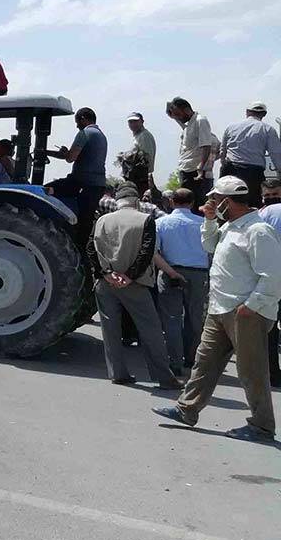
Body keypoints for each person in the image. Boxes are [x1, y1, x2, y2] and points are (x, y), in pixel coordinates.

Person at [152, 176, 281, 442]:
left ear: (228, 201)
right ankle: (187, 409)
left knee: (251, 369)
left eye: (216, 199)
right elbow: (209, 246)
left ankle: (262, 425)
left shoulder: (258, 231)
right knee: (204, 362)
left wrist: (250, 306)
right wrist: (210, 220)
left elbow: (273, 275)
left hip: (246, 313)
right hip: (221, 308)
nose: (211, 203)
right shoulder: (231, 226)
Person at [87, 184, 182, 389]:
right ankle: (164, 377)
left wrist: (106, 273)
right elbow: (146, 251)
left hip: (105, 283)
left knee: (110, 330)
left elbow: (91, 249)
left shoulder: (102, 220)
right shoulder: (145, 219)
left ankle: (117, 373)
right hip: (135, 285)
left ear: (117, 201)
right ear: (137, 201)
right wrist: (130, 277)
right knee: (151, 330)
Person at [153, 188, 210, 373]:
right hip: (199, 274)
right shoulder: (204, 224)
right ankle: (191, 358)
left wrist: (169, 272)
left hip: (171, 271)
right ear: (192, 203)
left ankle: (174, 362)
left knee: (171, 319)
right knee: (195, 318)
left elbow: (154, 253)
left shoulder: (160, 223)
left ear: (171, 202)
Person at [45, 107, 108, 249]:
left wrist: (63, 153)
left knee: (45, 190)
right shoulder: (101, 135)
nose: (77, 126)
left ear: (83, 119)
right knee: (85, 225)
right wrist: (48, 152)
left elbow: (70, 158)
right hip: (97, 185)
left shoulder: (84, 133)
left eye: (77, 122)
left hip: (82, 183)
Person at [220, 102, 280, 208]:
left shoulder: (231, 127)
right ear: (264, 114)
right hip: (253, 173)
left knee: (226, 204)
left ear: (247, 112)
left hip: (230, 170)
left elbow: (222, 152)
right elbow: (276, 155)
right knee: (253, 205)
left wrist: (225, 169)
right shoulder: (268, 129)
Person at [169, 97, 218, 208]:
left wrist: (201, 166)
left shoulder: (200, 120)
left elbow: (206, 145)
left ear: (186, 110)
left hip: (197, 174)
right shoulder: (187, 126)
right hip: (186, 170)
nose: (177, 117)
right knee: (185, 206)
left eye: (178, 114)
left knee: (198, 206)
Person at [257, 179, 281, 387]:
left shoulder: (262, 214)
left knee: (270, 328)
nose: (272, 198)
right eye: (269, 195)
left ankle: (273, 374)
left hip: (270, 276)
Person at [124, 112, 157, 198]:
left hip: (141, 177)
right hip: (136, 177)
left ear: (142, 121)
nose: (132, 124)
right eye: (130, 122)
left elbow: (146, 158)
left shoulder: (144, 135)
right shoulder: (137, 136)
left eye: (135, 121)